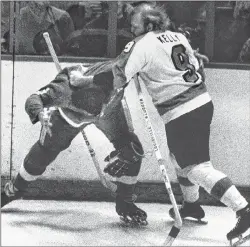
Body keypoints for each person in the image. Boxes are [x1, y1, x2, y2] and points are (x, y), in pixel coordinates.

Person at [106, 3, 250, 243]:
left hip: (182, 112)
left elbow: (119, 74)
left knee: (197, 168)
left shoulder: (142, 44)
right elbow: (195, 68)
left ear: (149, 25)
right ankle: (192, 205)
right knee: (178, 159)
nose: (132, 30)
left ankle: (243, 212)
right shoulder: (178, 36)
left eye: (135, 26)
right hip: (201, 102)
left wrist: (87, 82)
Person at [2, 60, 147, 226]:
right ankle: (15, 189)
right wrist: (40, 113)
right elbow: (34, 98)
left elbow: (138, 57)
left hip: (110, 111)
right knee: (43, 153)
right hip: (70, 118)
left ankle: (125, 202)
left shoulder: (116, 73)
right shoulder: (63, 90)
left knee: (132, 149)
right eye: (95, 101)